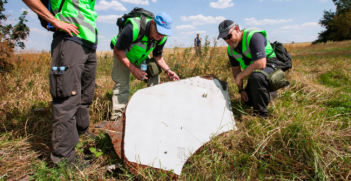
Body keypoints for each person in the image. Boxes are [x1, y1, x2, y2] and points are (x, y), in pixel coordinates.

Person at [23, 0, 99, 164]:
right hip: (69, 40)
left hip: (89, 44)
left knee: (85, 96)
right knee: (66, 99)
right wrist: (54, 21)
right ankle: (64, 158)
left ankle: (81, 132)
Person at [108, 12, 180, 121]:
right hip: (123, 54)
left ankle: (152, 107)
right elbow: (118, 49)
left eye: (164, 33)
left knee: (154, 71)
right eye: (159, 31)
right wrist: (133, 69)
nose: (160, 36)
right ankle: (116, 117)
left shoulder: (162, 37)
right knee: (122, 84)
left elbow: (157, 56)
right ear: (152, 23)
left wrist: (168, 70)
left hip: (139, 57)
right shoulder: (133, 28)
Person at [217, 20, 282, 117]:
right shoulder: (231, 49)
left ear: (237, 29)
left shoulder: (253, 37)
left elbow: (260, 64)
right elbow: (236, 69)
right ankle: (267, 94)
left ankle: (260, 113)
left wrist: (240, 76)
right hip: (255, 73)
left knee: (257, 76)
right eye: (224, 38)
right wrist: (241, 90)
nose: (227, 40)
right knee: (249, 101)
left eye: (229, 36)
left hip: (270, 66)